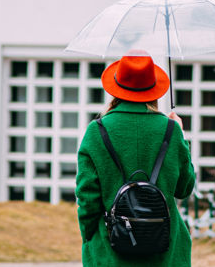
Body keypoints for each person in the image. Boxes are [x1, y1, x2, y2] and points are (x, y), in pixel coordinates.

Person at [76, 50, 196, 266]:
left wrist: (89, 239)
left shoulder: (96, 131)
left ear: (116, 88)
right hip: (165, 254)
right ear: (154, 89)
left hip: (110, 253)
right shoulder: (171, 130)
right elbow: (184, 189)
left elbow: (87, 199)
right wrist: (181, 137)